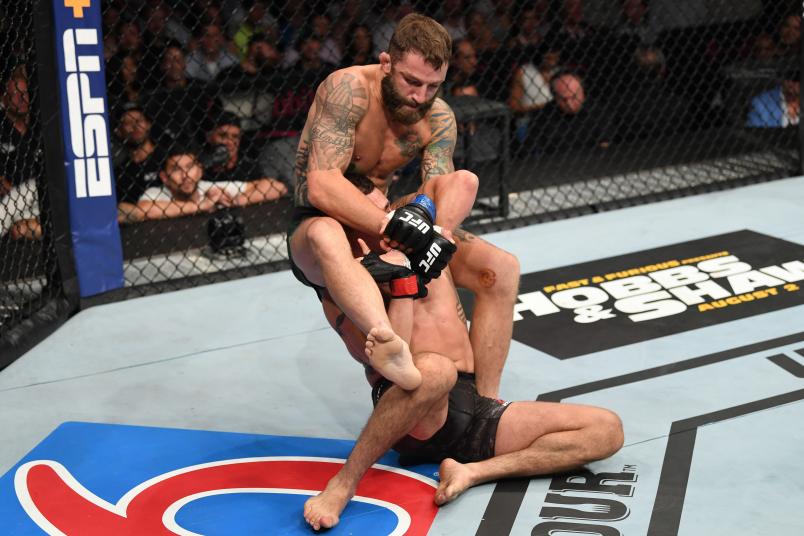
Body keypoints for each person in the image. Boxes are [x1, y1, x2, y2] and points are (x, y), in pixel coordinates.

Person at [303, 177, 624, 530]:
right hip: (416, 408)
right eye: (370, 213)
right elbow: (392, 357)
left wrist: (440, 229)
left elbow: (462, 181)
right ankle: (344, 483)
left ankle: (471, 471)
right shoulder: (348, 279)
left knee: (605, 429)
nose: (385, 217)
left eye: (384, 208)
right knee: (436, 370)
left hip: (471, 402)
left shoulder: (416, 232)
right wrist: (402, 283)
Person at [288, 12, 520, 399]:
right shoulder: (347, 88)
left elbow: (438, 184)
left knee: (501, 266)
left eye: (433, 85)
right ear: (386, 63)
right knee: (327, 231)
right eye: (411, 81)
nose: (420, 96)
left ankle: (487, 402)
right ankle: (387, 341)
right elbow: (322, 185)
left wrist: (431, 227)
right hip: (323, 223)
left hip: (389, 216)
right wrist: (390, 224)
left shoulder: (439, 116)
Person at [118, 146, 281, 222]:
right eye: (176, 169)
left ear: (200, 170)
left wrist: (236, 200)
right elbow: (126, 212)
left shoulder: (209, 187)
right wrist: (201, 206)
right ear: (164, 177)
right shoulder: (155, 193)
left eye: (190, 167)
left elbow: (275, 187)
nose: (185, 175)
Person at [202, 111, 287, 201]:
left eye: (235, 137)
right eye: (223, 136)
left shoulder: (249, 169)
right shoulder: (201, 169)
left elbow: (277, 188)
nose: (229, 142)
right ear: (209, 137)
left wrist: (236, 201)